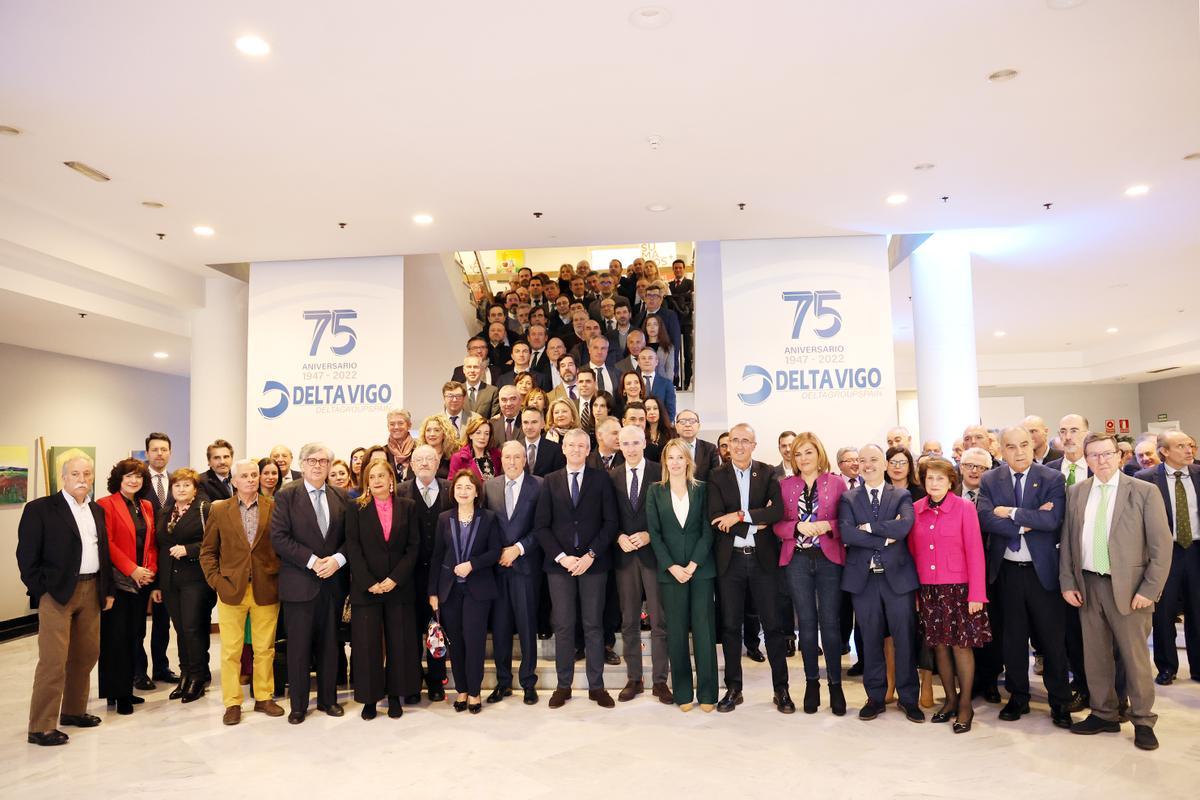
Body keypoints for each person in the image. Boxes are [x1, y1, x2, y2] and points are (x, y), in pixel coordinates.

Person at [1061, 433, 1173, 751]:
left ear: (1119, 455)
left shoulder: (1143, 491)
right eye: (1094, 455)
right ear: (1086, 459)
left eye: (1107, 453)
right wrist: (1068, 581)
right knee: (1095, 656)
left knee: (1135, 659)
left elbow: (1162, 546)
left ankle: (1143, 720)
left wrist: (1150, 589)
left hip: (1130, 588)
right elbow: (1068, 541)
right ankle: (1104, 713)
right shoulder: (1077, 492)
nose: (1102, 460)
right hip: (1088, 585)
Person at [978, 426, 1073, 729]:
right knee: (1012, 640)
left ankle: (1060, 701)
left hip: (1042, 573)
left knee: (1052, 641)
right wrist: (1028, 521)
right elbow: (986, 518)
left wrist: (1011, 512)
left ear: (1032, 446)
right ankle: (1018, 697)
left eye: (1023, 445)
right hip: (1006, 572)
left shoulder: (1052, 478)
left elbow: (1052, 519)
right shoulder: (990, 479)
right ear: (1001, 450)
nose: (1018, 452)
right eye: (1011, 447)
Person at [18, 455, 114, 746]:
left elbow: (103, 552)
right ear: (64, 477)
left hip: (92, 589)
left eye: (87, 473)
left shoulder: (96, 510)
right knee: (53, 661)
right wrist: (42, 590)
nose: (82, 479)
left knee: (86, 655)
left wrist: (107, 590)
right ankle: (41, 726)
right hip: (57, 594)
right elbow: (26, 556)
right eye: (75, 473)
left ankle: (73, 710)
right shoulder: (41, 509)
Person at [534, 428, 620, 708]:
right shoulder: (550, 481)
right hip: (560, 567)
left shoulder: (601, 479)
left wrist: (590, 555)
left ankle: (597, 687)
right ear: (563, 448)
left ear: (588, 449)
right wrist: (563, 557)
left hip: (593, 565)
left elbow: (610, 523)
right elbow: (541, 526)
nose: (575, 449)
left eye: (581, 446)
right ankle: (563, 686)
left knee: (593, 625)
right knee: (563, 625)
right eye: (571, 445)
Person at [708, 423, 789, 713]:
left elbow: (777, 511)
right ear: (727, 445)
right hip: (730, 561)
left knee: (773, 626)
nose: (739, 446)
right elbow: (716, 518)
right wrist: (756, 522)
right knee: (731, 626)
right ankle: (734, 688)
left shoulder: (767, 473)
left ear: (754, 445)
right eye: (734, 440)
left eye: (745, 440)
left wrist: (740, 515)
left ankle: (781, 689)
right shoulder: (716, 476)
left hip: (762, 560)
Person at [838, 444, 922, 722]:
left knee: (904, 640)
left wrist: (870, 528)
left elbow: (904, 526)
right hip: (864, 580)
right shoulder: (849, 498)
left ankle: (909, 698)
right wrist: (887, 536)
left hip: (897, 578)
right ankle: (875, 697)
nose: (867, 465)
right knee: (870, 639)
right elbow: (847, 534)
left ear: (884, 464)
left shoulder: (901, 494)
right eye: (862, 460)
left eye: (873, 459)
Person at [199, 458, 285, 725]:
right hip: (231, 590)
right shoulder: (219, 509)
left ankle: (264, 697)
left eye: (254, 475)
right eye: (245, 476)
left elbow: (283, 546)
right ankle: (232, 702)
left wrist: (278, 577)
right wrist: (217, 581)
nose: (250, 479)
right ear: (234, 481)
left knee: (265, 649)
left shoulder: (274, 507)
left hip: (266, 588)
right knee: (230, 651)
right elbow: (208, 551)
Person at [269, 443, 350, 724]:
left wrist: (338, 559)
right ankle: (299, 705)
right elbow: (279, 538)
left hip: (332, 584)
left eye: (323, 461)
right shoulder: (286, 495)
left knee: (330, 646)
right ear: (302, 465)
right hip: (299, 584)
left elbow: (352, 538)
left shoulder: (341, 496)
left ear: (329, 466)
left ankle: (329, 700)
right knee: (299, 649)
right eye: (312, 461)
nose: (318, 465)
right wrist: (313, 561)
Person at [909, 458, 990, 734]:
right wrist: (916, 593)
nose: (934, 484)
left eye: (940, 479)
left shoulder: (964, 508)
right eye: (929, 478)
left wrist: (977, 593)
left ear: (950, 481)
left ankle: (965, 705)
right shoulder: (915, 509)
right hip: (928, 589)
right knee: (939, 646)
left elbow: (976, 552)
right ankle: (950, 700)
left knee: (961, 646)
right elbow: (913, 553)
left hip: (959, 588)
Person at [772, 432, 849, 715]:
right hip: (798, 561)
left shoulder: (836, 483)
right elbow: (776, 525)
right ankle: (811, 683)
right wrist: (795, 528)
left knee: (830, 623)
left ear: (819, 454)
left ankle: (835, 686)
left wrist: (829, 526)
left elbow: (847, 521)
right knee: (805, 624)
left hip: (829, 560)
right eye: (798, 454)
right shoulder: (785, 485)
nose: (803, 458)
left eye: (808, 452)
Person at [344, 459, 422, 720]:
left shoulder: (408, 506)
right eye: (372, 476)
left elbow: (413, 547)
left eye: (381, 475)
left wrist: (395, 578)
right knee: (367, 646)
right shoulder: (355, 508)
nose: (376, 480)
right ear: (366, 481)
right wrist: (369, 582)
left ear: (391, 479)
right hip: (367, 589)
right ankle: (369, 699)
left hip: (399, 587)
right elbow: (353, 547)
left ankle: (395, 696)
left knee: (399, 643)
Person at [643, 438, 714, 712]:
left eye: (680, 457)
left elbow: (707, 530)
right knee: (676, 633)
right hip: (670, 573)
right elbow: (655, 533)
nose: (675, 462)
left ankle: (707, 693)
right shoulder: (655, 491)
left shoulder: (702, 489)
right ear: (664, 461)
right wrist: (671, 566)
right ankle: (683, 693)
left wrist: (693, 564)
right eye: (670, 457)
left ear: (688, 461)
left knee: (704, 632)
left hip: (701, 571)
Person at [429, 470, 501, 714]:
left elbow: (495, 552)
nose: (463, 491)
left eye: (468, 487)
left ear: (477, 492)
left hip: (477, 590)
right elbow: (437, 556)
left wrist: (473, 564)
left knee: (474, 641)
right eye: (459, 487)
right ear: (453, 491)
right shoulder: (444, 518)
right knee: (456, 643)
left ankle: (474, 692)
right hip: (449, 590)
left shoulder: (488, 518)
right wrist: (433, 592)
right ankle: (461, 689)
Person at [610, 425, 670, 704]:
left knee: (659, 620)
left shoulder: (660, 472)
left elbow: (669, 512)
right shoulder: (612, 476)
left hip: (654, 555)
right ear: (619, 446)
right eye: (626, 444)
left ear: (644, 443)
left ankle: (660, 681)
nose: (631, 448)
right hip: (625, 557)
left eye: (635, 443)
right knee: (629, 620)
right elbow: (607, 516)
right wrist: (618, 536)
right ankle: (634, 678)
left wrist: (650, 535)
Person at [1134, 430, 1199, 684]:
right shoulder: (1145, 479)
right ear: (1164, 451)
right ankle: (1167, 667)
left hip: (1195, 551)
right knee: (1163, 613)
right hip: (1164, 553)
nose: (1189, 450)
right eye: (1181, 446)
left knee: (1197, 610)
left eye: (1190, 445)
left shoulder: (1198, 474)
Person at [482, 442, 544, 705]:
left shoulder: (539, 485)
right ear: (501, 460)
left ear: (524, 459)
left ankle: (528, 682)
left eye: (517, 457)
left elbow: (542, 527)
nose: (512, 461)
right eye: (507, 457)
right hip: (497, 569)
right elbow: (486, 524)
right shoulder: (489, 486)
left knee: (527, 626)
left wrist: (518, 549)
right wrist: (497, 552)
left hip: (526, 567)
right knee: (501, 628)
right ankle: (503, 682)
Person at [95, 458, 157, 715]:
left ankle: (126, 689)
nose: (134, 480)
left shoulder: (146, 506)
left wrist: (149, 571)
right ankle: (117, 694)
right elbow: (107, 543)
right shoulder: (105, 504)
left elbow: (151, 543)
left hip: (141, 582)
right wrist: (132, 569)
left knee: (134, 636)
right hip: (117, 582)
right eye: (128, 476)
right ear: (118, 480)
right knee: (115, 639)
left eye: (138, 476)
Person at [397, 445, 453, 703]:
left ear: (438, 461)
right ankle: (412, 681)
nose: (424, 463)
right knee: (409, 630)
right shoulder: (400, 491)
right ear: (411, 464)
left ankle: (436, 680)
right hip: (409, 574)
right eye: (418, 459)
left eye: (429, 459)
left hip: (441, 574)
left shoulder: (451, 489)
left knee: (436, 628)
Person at [157, 468, 216, 703]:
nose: (181, 489)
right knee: (181, 629)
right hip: (170, 581)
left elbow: (215, 542)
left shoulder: (204, 509)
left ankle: (198, 678)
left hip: (196, 578)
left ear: (195, 489)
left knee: (193, 628)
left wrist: (189, 550)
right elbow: (161, 546)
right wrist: (159, 584)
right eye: (177, 485)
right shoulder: (165, 512)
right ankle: (185, 675)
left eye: (186, 485)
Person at [136, 432, 176, 688]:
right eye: (155, 449)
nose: (160, 453)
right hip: (141, 563)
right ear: (147, 453)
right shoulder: (138, 483)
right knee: (138, 624)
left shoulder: (177, 482)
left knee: (163, 622)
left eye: (164, 449)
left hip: (168, 564)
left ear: (170, 452)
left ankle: (161, 667)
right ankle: (139, 672)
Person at [671, 410, 721, 481]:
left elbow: (715, 478)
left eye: (692, 421)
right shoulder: (669, 449)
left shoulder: (710, 449)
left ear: (698, 426)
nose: (687, 425)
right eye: (682, 422)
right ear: (676, 427)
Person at [448, 416, 502, 481]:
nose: (482, 437)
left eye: (486, 434)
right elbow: (452, 483)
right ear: (470, 435)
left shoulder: (496, 456)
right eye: (478, 433)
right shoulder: (459, 458)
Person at [521, 406, 567, 477]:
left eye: (534, 422)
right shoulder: (513, 448)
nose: (529, 427)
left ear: (543, 424)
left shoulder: (556, 450)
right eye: (525, 422)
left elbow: (559, 478)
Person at [637, 348, 676, 422]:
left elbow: (671, 411)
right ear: (638, 362)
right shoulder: (634, 382)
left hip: (660, 425)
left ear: (656, 362)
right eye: (643, 358)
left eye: (650, 358)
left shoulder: (666, 384)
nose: (647, 361)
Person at [418, 414, 457, 479]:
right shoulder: (417, 455)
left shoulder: (452, 457)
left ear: (444, 434)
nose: (432, 434)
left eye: (437, 430)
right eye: (428, 430)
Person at [383, 408, 417, 481]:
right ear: (388, 427)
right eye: (392, 424)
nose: (396, 427)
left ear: (409, 425)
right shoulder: (383, 452)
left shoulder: (419, 449)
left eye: (400, 423)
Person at [643, 314, 676, 384]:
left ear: (660, 327)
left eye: (655, 324)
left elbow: (669, 370)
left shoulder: (668, 347)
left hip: (662, 383)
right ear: (645, 328)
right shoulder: (641, 346)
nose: (652, 327)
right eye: (649, 325)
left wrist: (667, 386)